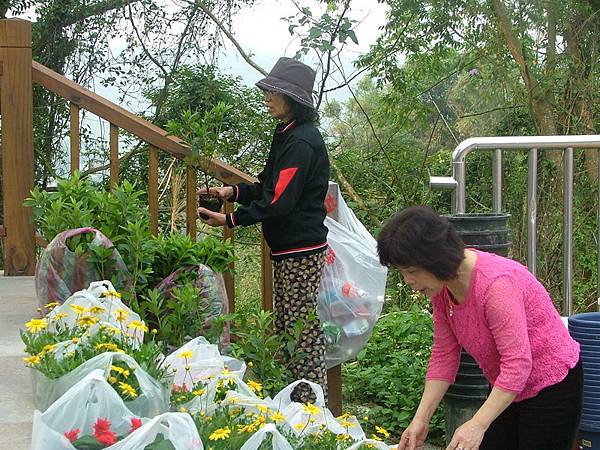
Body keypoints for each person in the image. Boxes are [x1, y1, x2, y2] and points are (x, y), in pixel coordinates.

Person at [376, 206, 582, 450]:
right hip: (506, 385)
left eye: (411, 272)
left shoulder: (496, 287)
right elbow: (444, 355)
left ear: (434, 258)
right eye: (402, 273)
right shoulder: (442, 288)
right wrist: (420, 420)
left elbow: (518, 364)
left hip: (551, 385)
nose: (408, 281)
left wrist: (477, 424)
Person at [197, 57, 330, 403]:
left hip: (301, 250)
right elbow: (269, 187)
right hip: (287, 249)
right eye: (269, 90)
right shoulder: (286, 133)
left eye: (274, 92)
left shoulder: (302, 142)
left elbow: (280, 203)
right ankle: (295, 402)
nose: (267, 97)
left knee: (302, 331)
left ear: (294, 100)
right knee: (288, 325)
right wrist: (230, 193)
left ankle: (312, 408)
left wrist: (229, 220)